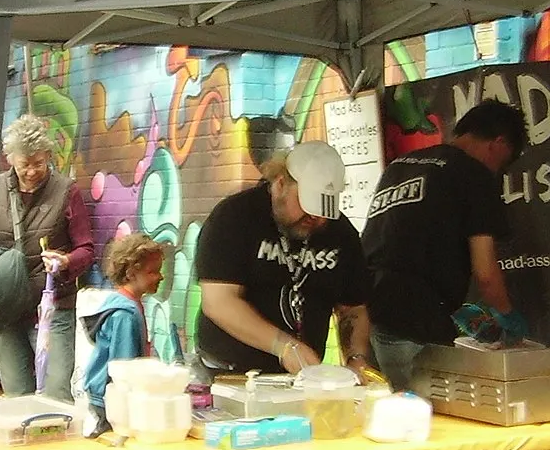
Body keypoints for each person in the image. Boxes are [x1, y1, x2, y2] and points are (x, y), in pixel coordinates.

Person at [362, 100, 526, 387]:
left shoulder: (400, 166)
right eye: (505, 161)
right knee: (424, 421)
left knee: (379, 416)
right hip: (413, 325)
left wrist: (451, 304)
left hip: (365, 317)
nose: (499, 170)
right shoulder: (474, 175)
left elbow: (399, 242)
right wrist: (509, 318)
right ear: (498, 143)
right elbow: (486, 273)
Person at [193, 140, 373, 377]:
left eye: (323, 209)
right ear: (280, 184)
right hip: (230, 372)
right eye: (306, 204)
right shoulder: (235, 217)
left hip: (300, 379)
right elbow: (219, 301)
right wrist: (282, 345)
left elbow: (353, 309)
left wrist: (356, 359)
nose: (314, 217)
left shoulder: (341, 233)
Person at [0, 114, 94, 400]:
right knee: (16, 395)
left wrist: (65, 262)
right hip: (8, 309)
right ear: (10, 158)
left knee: (57, 392)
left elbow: (86, 248)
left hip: (53, 306)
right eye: (25, 164)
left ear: (48, 155)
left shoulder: (66, 191)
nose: (33, 171)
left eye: (39, 163)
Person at [79, 232, 168, 432]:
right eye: (153, 271)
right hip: (112, 398)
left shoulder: (127, 303)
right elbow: (124, 367)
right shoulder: (124, 315)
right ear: (130, 273)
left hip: (110, 395)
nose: (160, 276)